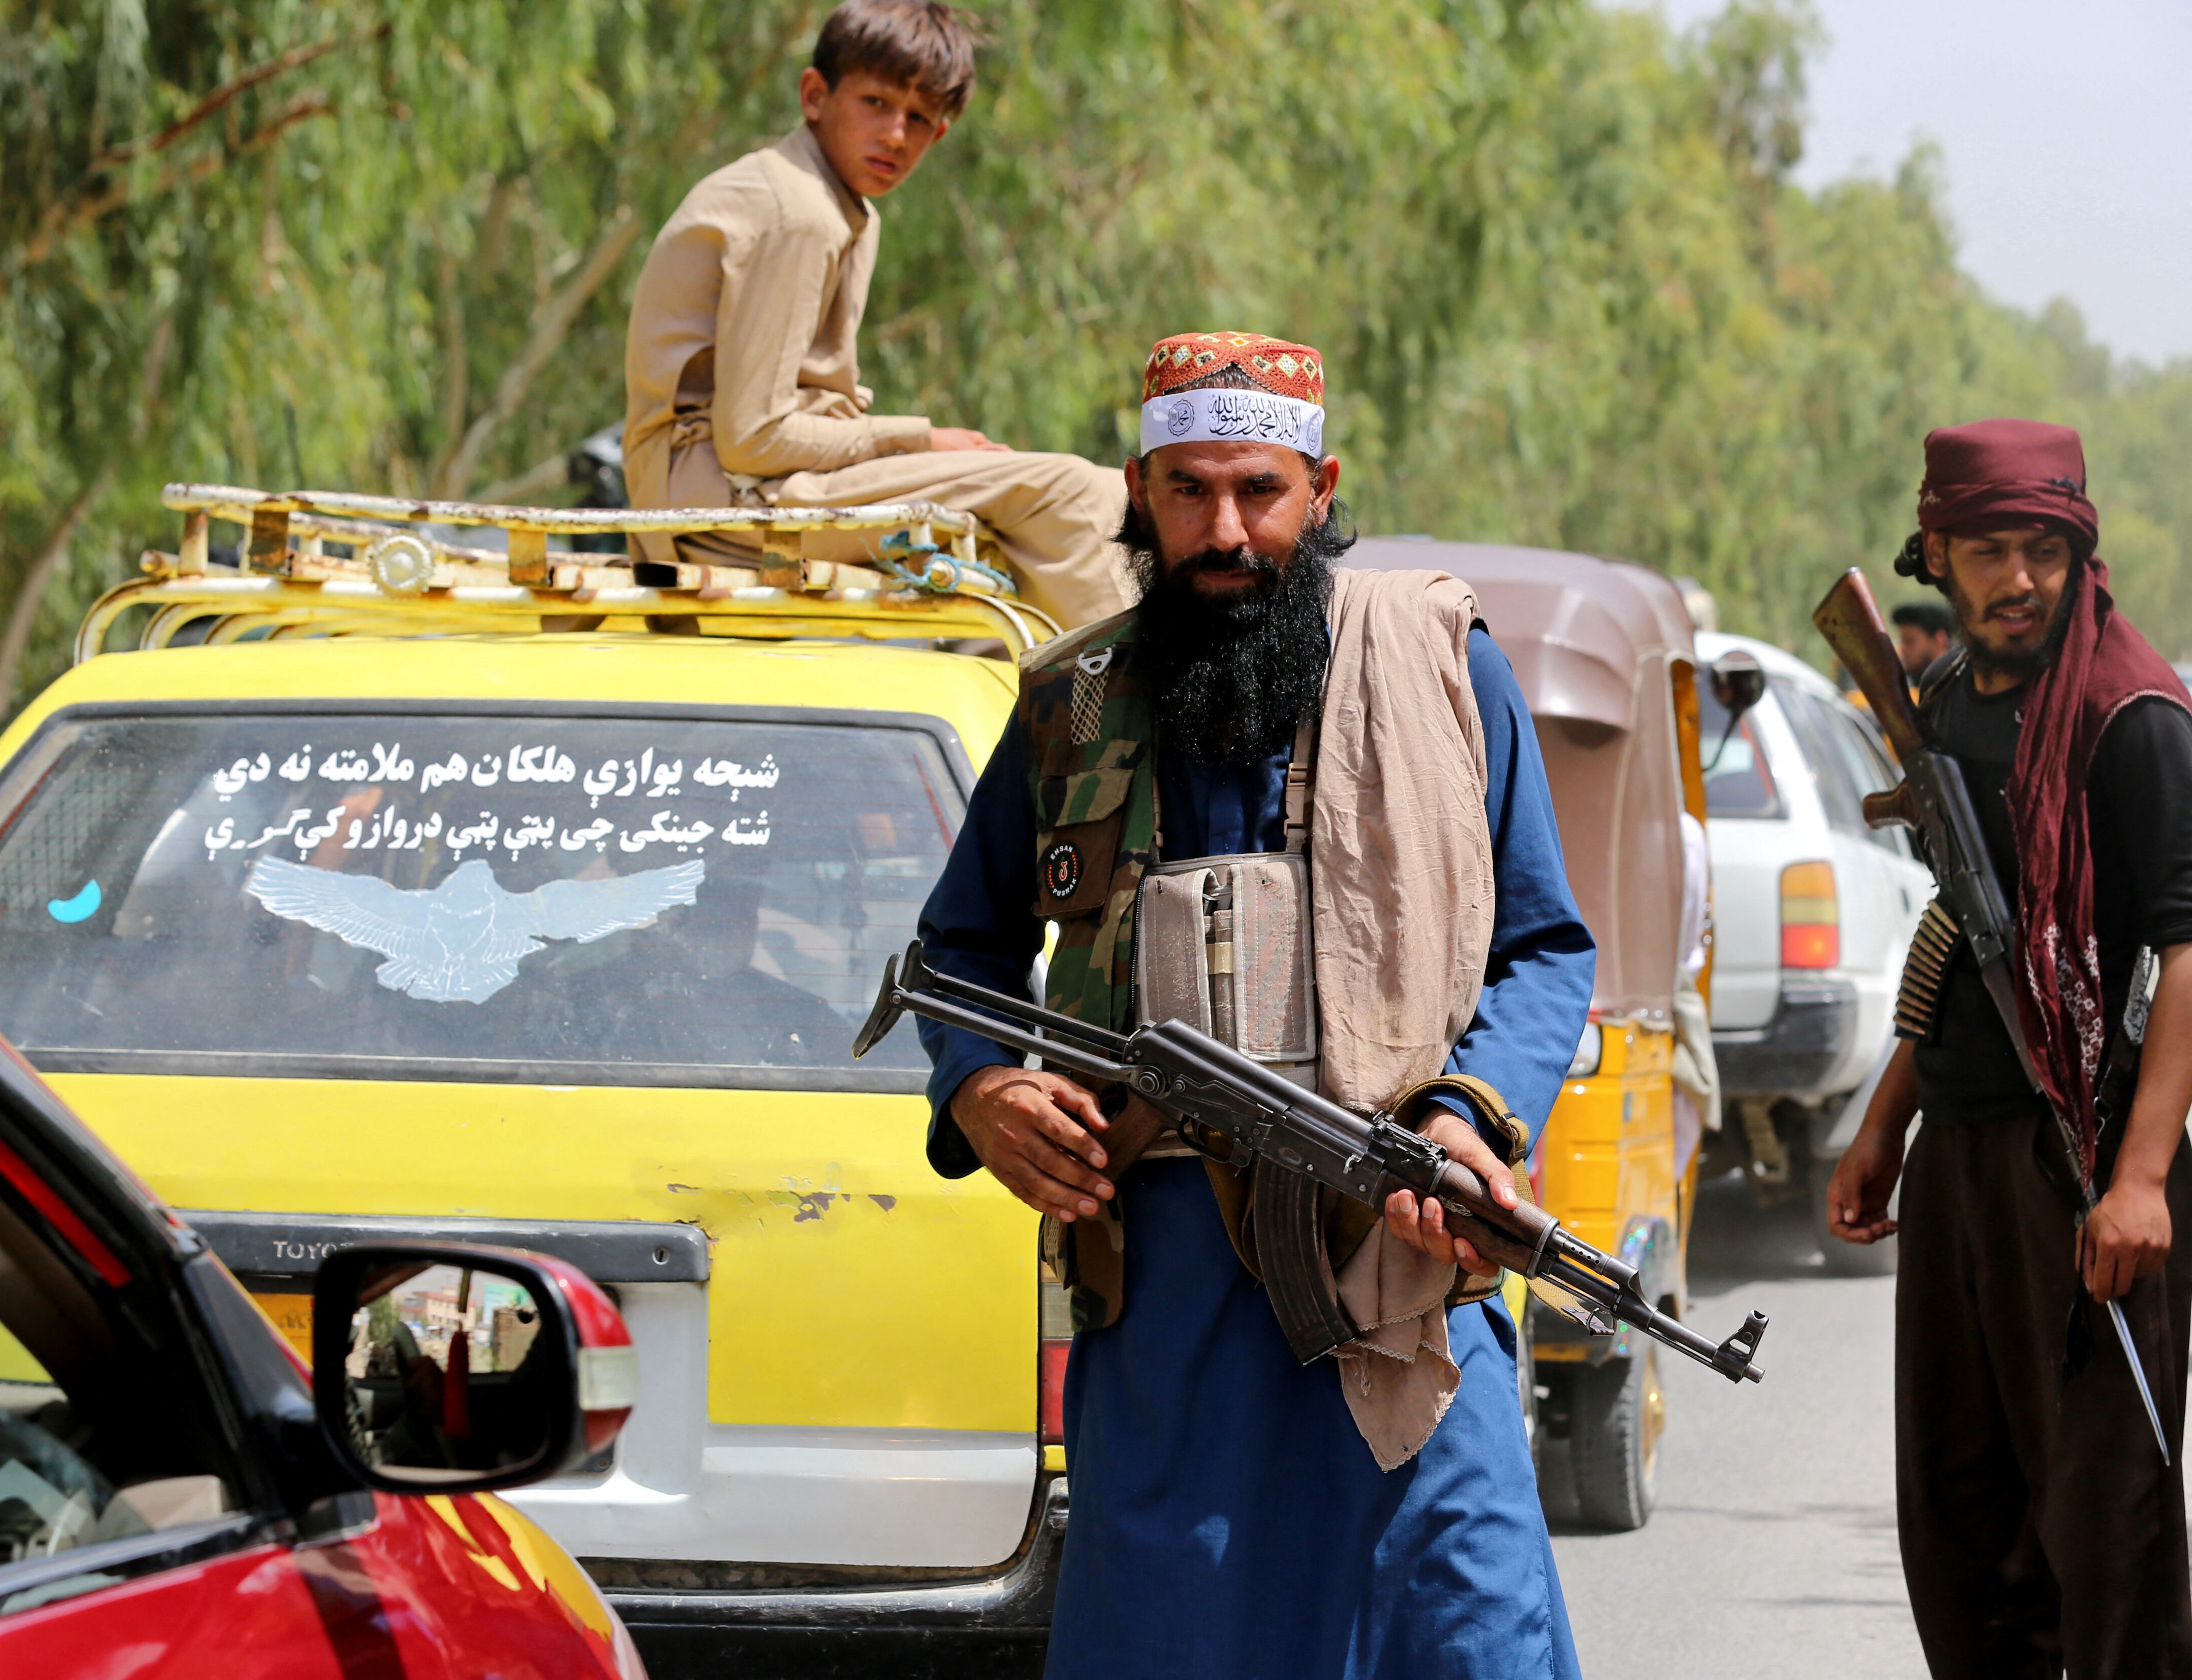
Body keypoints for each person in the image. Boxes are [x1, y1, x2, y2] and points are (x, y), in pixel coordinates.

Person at [916, 332, 1596, 1677]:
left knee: (1458, 1627)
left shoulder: (1442, 673)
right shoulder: (1072, 703)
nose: (1225, 531)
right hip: (1166, 1315)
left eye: (1261, 492)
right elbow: (959, 951)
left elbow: (1545, 949)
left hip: (1400, 1276)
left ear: (1323, 486)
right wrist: (982, 1084)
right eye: (1189, 491)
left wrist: (1469, 1117)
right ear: (1140, 488)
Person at [1826, 419, 2192, 1679]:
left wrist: (2141, 1178)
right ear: (1936, 551)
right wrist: (1886, 1118)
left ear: (2077, 548)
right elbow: (1970, 932)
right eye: (1989, 549)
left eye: (2043, 547)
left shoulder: (2129, 715)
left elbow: (2190, 948)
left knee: (2107, 1525)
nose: (2018, 576)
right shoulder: (1941, 705)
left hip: (2084, 1163)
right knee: (1959, 1511)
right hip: (1962, 1159)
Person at [622, 0, 1129, 631]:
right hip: (712, 503)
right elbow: (752, 438)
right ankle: (1135, 724)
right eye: (875, 104)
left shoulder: (836, 206)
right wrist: (916, 438)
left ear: (938, 134)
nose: (896, 134)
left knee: (1078, 499)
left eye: (919, 118)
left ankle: (1044, 698)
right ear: (815, 96)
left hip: (746, 487)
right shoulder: (796, 212)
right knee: (1072, 492)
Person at [1892, 597, 1957, 691]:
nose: (1903, 649)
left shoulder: (1964, 684)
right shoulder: (1904, 683)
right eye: (1902, 641)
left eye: (1910, 641)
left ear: (1940, 639)